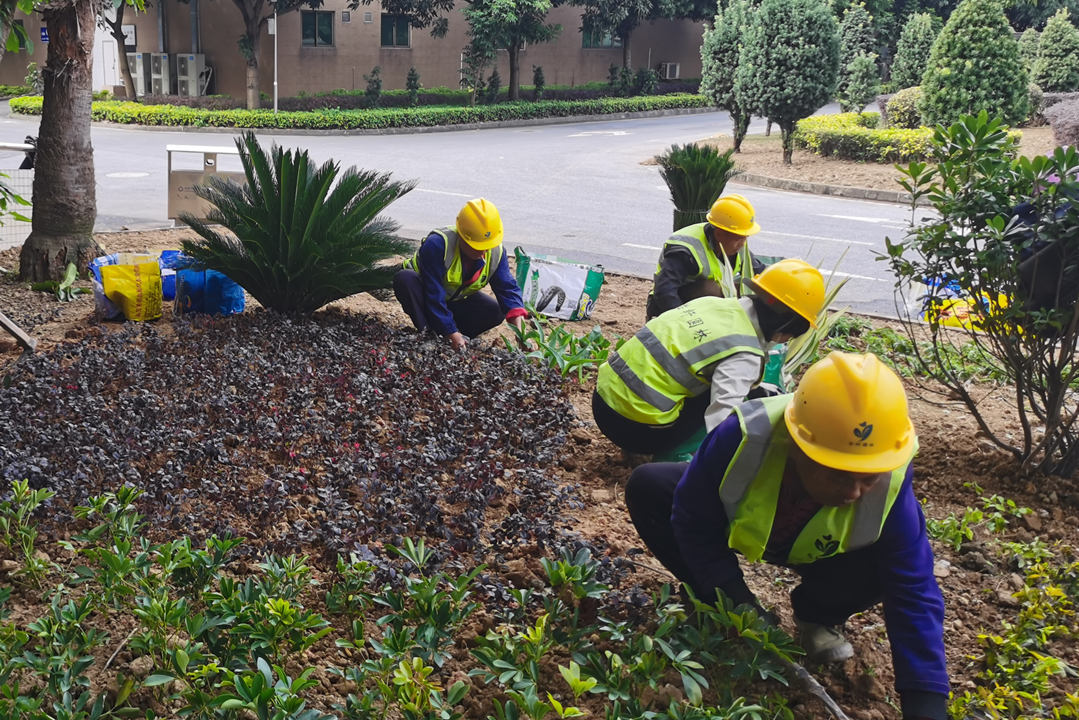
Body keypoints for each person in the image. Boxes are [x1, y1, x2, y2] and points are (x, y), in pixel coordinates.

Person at [624, 351, 948, 720]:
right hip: (746, 529)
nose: (854, 491)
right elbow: (692, 519)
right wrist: (734, 597)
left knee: (886, 565)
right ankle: (712, 600)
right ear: (797, 446)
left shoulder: (890, 477)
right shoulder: (743, 437)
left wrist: (926, 705)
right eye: (838, 474)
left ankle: (817, 616)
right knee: (651, 488)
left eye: (868, 478)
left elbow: (914, 590)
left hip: (827, 556)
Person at [593, 259, 826, 458]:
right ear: (786, 326)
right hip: (635, 429)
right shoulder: (744, 354)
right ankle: (674, 458)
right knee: (724, 406)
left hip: (603, 400)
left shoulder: (713, 304)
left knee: (713, 377)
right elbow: (720, 420)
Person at [393, 198, 528, 350]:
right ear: (462, 237)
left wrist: (520, 329)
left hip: (454, 300)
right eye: (477, 247)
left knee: (494, 311)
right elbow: (434, 294)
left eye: (488, 245)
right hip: (424, 296)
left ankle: (459, 336)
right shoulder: (438, 245)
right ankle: (430, 334)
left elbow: (507, 289)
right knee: (405, 279)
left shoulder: (496, 252)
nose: (484, 251)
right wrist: (450, 332)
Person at [646, 193, 767, 320]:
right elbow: (664, 291)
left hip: (705, 306)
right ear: (719, 234)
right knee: (711, 289)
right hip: (668, 307)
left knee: (743, 291)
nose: (742, 244)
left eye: (745, 237)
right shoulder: (686, 249)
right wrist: (686, 321)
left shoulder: (736, 246)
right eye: (738, 238)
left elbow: (760, 274)